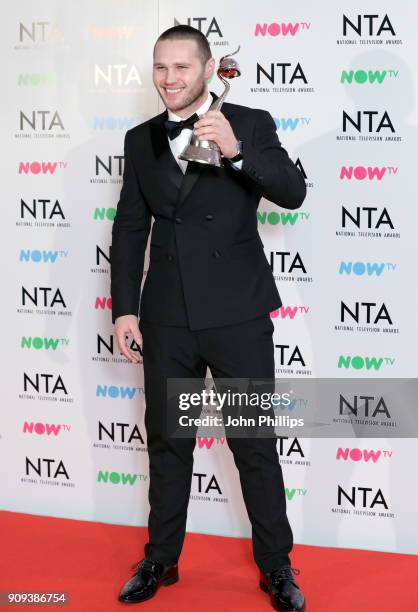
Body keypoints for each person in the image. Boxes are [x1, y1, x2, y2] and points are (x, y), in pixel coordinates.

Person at [110, 24, 307, 612]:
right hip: (167, 318)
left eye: (182, 68)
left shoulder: (248, 122)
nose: (170, 79)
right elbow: (129, 229)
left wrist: (238, 152)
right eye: (160, 67)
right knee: (169, 445)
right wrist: (124, 308)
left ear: (207, 68)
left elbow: (293, 193)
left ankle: (277, 567)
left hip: (237, 317)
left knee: (253, 444)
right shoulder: (139, 138)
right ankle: (161, 560)